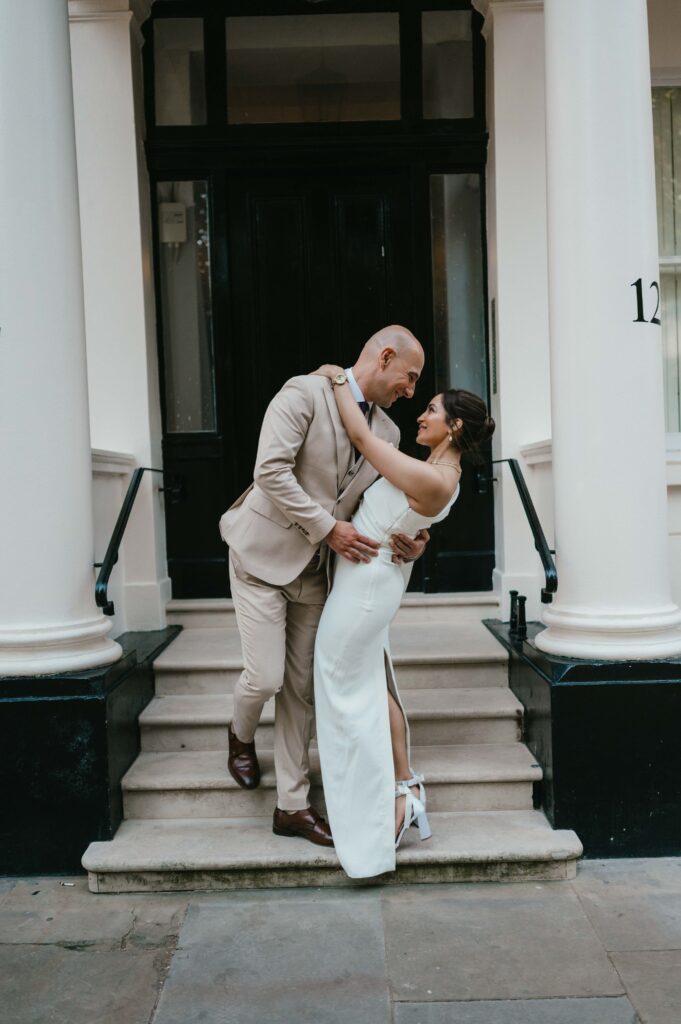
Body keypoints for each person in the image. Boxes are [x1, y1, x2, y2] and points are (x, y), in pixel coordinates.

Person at [218, 326, 428, 847]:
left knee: (301, 689)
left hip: (318, 574)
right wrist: (327, 528)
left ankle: (291, 805)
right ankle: (239, 734)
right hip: (261, 558)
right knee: (264, 678)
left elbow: (380, 507)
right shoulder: (304, 392)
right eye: (410, 376)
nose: (412, 391)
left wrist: (413, 541)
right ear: (384, 358)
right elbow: (270, 471)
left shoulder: (392, 436)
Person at [312, 364, 495, 878]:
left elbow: (360, 436)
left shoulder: (437, 477)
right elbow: (407, 517)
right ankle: (405, 787)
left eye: (432, 409)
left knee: (343, 690)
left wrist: (336, 379)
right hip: (371, 582)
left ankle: (375, 816)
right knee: (369, 682)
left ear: (455, 427)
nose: (421, 413)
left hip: (366, 589)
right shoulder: (433, 472)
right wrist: (418, 541)